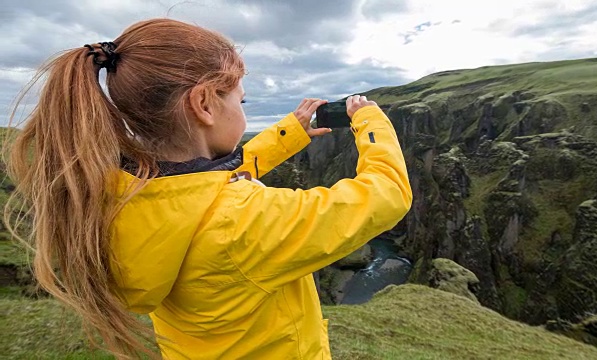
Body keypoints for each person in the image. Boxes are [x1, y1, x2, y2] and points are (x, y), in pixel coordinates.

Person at [5, 18, 412, 359]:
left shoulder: (121, 193)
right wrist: (371, 122)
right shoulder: (243, 222)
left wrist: (289, 133)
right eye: (243, 101)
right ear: (203, 104)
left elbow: (202, 187)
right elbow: (386, 193)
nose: (242, 109)